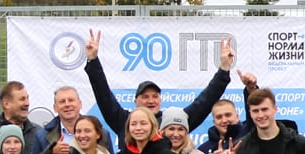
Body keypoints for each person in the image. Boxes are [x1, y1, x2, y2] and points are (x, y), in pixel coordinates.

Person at [84, 30, 241, 142]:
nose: (151, 101)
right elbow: (103, 95)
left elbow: (205, 102)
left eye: (155, 96)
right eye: (145, 97)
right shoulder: (124, 121)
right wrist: (93, 61)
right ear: (135, 102)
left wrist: (224, 69)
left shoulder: (173, 121)